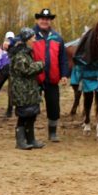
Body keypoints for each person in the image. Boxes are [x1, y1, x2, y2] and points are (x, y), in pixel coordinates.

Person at [32, 8, 68, 142]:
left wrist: (64, 74)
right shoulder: (31, 35)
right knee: (31, 107)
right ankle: (29, 133)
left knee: (54, 107)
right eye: (42, 18)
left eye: (47, 19)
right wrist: (8, 42)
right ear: (38, 20)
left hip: (52, 79)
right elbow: (17, 41)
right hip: (35, 78)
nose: (44, 21)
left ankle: (52, 133)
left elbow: (63, 59)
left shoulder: (57, 37)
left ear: (50, 21)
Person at [9, 27, 46, 150]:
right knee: (23, 115)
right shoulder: (20, 55)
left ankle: (31, 139)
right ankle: (20, 141)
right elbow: (26, 70)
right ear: (27, 40)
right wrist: (41, 64)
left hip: (29, 91)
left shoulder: (26, 53)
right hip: (22, 92)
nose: (35, 40)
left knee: (32, 114)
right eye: (33, 38)